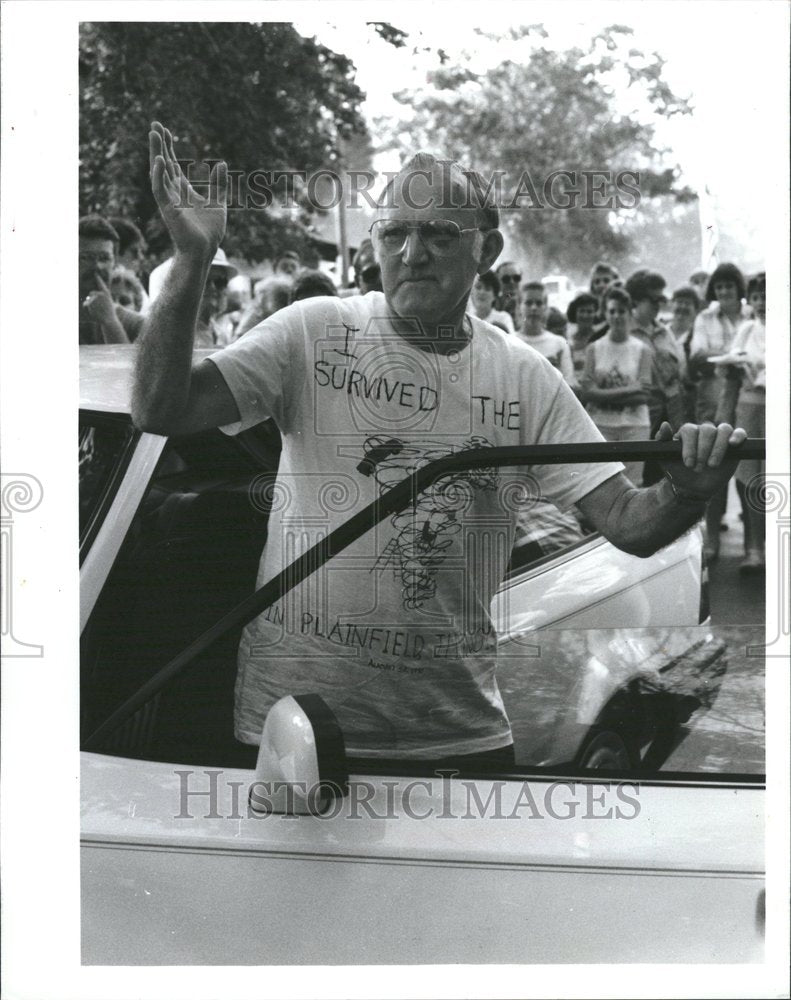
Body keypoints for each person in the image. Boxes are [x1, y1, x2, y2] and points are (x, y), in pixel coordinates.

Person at [133, 121, 745, 764]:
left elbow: (628, 522)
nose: (411, 252)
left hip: (454, 735)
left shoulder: (523, 375)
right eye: (394, 232)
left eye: (438, 233)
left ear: (488, 249)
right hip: (295, 733)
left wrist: (686, 489)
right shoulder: (313, 333)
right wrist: (192, 259)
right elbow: (158, 406)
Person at [688, 262, 752, 557]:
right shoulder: (705, 317)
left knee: (746, 470)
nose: (724, 291)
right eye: (719, 286)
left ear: (740, 288)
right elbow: (697, 354)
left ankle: (753, 545)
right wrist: (731, 356)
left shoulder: (752, 314)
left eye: (729, 285)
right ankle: (711, 540)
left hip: (746, 400)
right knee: (713, 467)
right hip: (712, 398)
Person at [715, 273, 766, 574]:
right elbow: (728, 369)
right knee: (749, 478)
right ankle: (753, 549)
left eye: (767, 296)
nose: (761, 303)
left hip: (779, 409)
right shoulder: (747, 329)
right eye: (757, 297)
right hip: (748, 407)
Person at [580, 287, 653, 485]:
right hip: (601, 425)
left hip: (634, 426)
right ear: (605, 313)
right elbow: (587, 394)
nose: (616, 316)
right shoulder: (594, 348)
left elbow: (643, 396)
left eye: (621, 311)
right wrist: (630, 389)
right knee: (601, 482)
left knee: (632, 484)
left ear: (630, 313)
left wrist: (600, 393)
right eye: (612, 311)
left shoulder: (642, 350)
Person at [625, 269, 685, 487]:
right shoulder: (624, 333)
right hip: (640, 419)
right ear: (637, 300)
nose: (659, 304)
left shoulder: (664, 332)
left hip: (671, 418)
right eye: (654, 300)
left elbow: (680, 368)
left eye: (662, 299)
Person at [79, 215, 142, 344]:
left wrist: (110, 321)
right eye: (85, 258)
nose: (96, 266)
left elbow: (127, 364)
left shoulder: (135, 325)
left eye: (104, 258)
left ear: (114, 263)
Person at [516, 282, 576, 385]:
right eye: (528, 303)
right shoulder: (510, 341)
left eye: (539, 303)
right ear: (519, 307)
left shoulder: (559, 343)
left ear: (545, 307)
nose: (534, 308)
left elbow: (568, 383)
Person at [669, 286, 702, 423]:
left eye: (687, 303)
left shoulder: (699, 336)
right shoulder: (661, 333)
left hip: (689, 398)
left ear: (695, 310)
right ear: (672, 305)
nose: (682, 307)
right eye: (679, 302)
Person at [566, 292, 600, 381]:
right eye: (581, 311)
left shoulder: (601, 338)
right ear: (575, 313)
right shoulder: (568, 340)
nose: (585, 315)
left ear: (595, 313)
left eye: (589, 312)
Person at [495, 260, 524, 330]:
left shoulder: (532, 303)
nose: (512, 282)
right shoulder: (492, 306)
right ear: (498, 281)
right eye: (506, 279)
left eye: (516, 278)